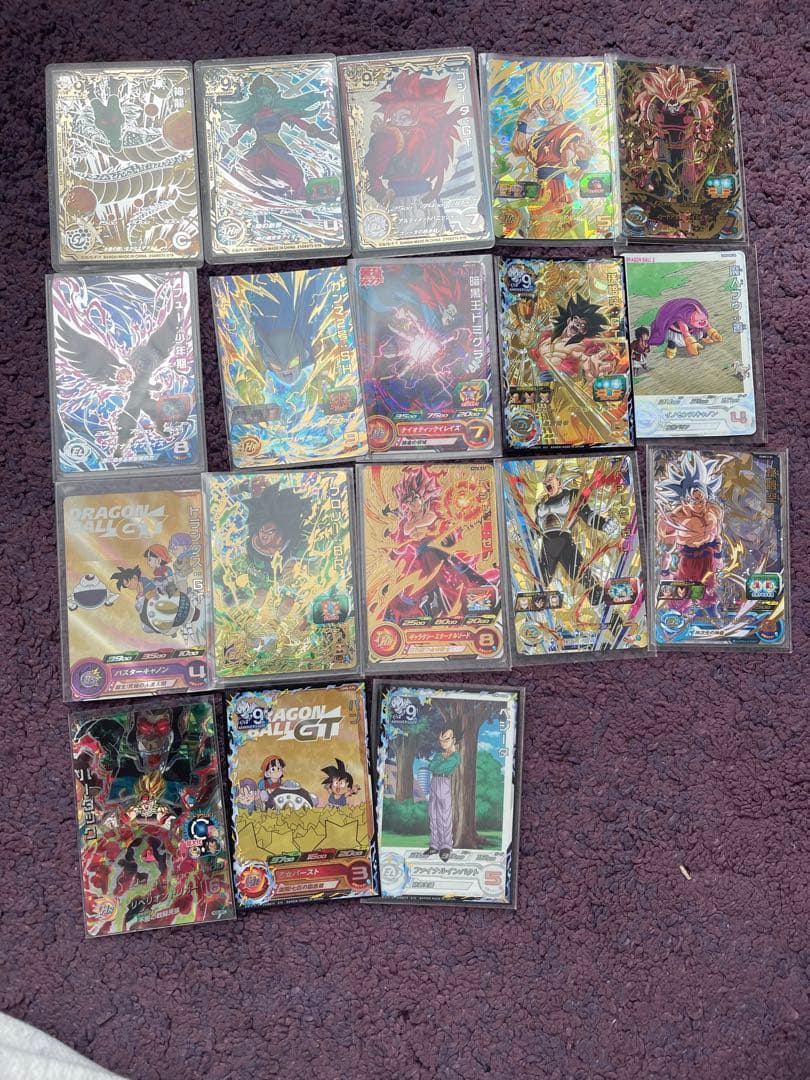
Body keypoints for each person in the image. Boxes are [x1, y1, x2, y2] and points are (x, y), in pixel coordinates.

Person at [424, 726, 461, 862]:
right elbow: (431, 767)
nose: (443, 743)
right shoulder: (439, 755)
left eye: (446, 739)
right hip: (434, 781)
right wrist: (439, 763)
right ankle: (435, 844)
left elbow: (441, 768)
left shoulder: (455, 756)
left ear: (453, 740)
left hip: (444, 782)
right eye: (441, 740)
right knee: (433, 814)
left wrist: (439, 764)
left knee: (444, 815)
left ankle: (445, 847)